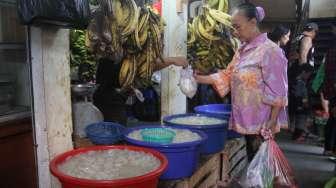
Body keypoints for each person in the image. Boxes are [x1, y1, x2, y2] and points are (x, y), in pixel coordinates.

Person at [194, 3, 288, 161]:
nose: (235, 33)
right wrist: (197, 78)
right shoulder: (242, 51)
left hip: (262, 123)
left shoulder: (270, 50)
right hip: (245, 120)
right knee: (254, 163)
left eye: (238, 27)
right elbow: (227, 75)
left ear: (252, 22)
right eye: (233, 28)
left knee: (260, 166)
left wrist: (272, 121)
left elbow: (278, 90)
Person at [93, 57, 187, 125]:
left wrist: (131, 88)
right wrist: (172, 60)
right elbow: (146, 66)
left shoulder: (115, 56)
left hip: (107, 96)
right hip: (109, 99)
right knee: (116, 129)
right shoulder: (116, 55)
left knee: (112, 126)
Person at [322, 24, 336, 156]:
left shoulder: (332, 48)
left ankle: (329, 148)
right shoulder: (333, 49)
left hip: (332, 89)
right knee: (333, 120)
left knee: (332, 119)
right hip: (334, 90)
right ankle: (329, 148)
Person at [292, 64, 314, 142]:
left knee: (300, 120)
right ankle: (297, 136)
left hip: (299, 103)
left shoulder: (298, 81)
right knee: (300, 120)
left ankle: (299, 134)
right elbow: (300, 94)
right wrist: (304, 102)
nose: (308, 76)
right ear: (304, 72)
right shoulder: (300, 82)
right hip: (300, 103)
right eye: (308, 74)